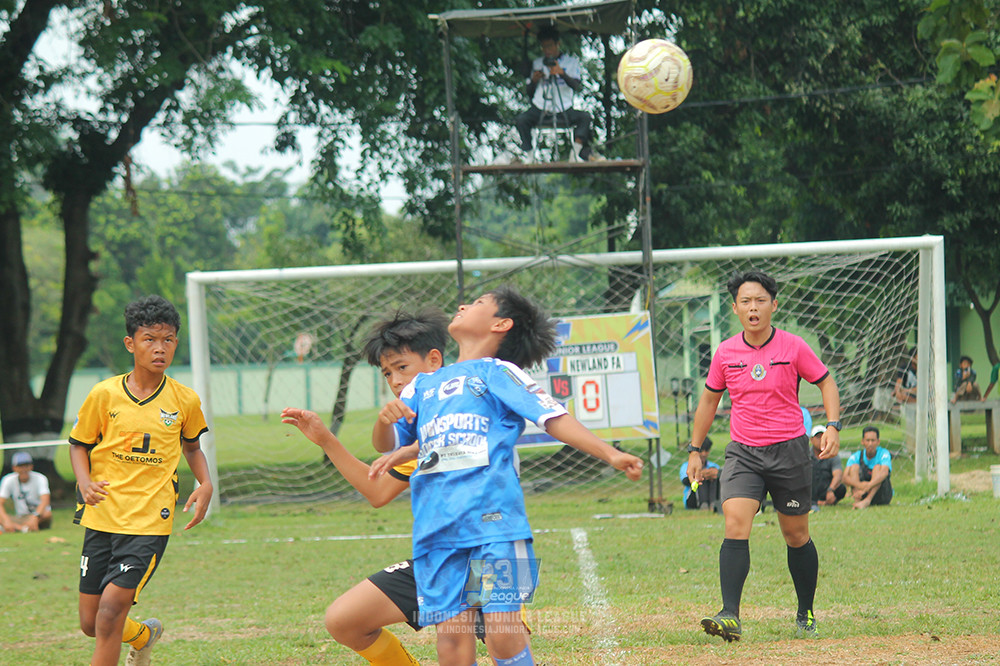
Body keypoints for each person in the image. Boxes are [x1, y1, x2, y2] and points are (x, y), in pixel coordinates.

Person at [371, 285, 644, 666]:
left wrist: (610, 453)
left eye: (479, 303)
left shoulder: (499, 373)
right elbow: (392, 444)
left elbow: (553, 418)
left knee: (501, 633)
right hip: (436, 531)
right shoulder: (423, 385)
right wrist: (388, 427)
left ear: (501, 324)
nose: (463, 304)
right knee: (451, 644)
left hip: (494, 525)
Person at [281, 308, 446, 665]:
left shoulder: (469, 405)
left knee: (501, 641)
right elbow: (377, 491)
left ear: (434, 360)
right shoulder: (416, 425)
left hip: (489, 552)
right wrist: (326, 440)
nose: (395, 380)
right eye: (388, 373)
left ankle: (505, 619)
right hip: (437, 559)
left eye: (402, 367)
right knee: (344, 620)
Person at [686, 269, 841, 643]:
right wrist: (695, 450)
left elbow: (826, 381)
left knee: (796, 534)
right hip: (743, 452)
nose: (752, 308)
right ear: (735, 308)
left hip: (789, 450)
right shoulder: (725, 352)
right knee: (735, 523)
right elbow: (709, 399)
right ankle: (729, 615)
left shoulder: (794, 346)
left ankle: (805, 611)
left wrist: (832, 424)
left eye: (759, 301)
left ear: (774, 305)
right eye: (745, 301)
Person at [69, 295, 212, 666]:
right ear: (131, 344)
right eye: (149, 339)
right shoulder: (104, 394)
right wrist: (85, 483)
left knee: (110, 611)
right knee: (91, 621)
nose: (159, 348)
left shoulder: (185, 400)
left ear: (176, 343)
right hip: (101, 516)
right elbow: (78, 446)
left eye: (167, 340)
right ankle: (145, 636)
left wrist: (205, 483)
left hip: (150, 519)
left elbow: (193, 448)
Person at [513, 25, 594, 162]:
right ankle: (529, 156)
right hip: (541, 107)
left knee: (585, 118)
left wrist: (561, 73)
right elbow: (529, 92)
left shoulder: (571, 62)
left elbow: (576, 85)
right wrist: (534, 81)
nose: (547, 50)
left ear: (558, 44)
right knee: (521, 120)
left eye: (550, 46)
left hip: (564, 108)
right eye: (544, 47)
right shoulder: (538, 63)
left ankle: (575, 153)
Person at [0, 451, 52, 533]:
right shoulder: (8, 480)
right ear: (14, 468)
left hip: (38, 515)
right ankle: (23, 528)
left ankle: (17, 528)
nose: (24, 469)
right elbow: (0, 502)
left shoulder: (40, 478)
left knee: (47, 514)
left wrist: (35, 516)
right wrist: (6, 520)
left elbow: (45, 501)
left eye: (26, 466)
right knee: (2, 517)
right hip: (20, 517)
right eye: (20, 466)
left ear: (31, 466)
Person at [842, 426, 893, 509]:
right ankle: (857, 500)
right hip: (861, 492)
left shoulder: (884, 453)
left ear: (878, 442)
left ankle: (867, 500)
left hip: (881, 495)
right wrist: (860, 486)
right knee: (854, 467)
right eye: (867, 440)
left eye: (873, 441)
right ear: (862, 442)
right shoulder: (856, 456)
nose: (870, 444)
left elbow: (885, 472)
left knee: (877, 468)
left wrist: (868, 486)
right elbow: (844, 477)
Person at [809, 425, 846, 510]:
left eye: (823, 437)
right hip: (810, 488)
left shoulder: (832, 454)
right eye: (818, 437)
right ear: (811, 440)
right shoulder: (806, 455)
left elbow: (838, 474)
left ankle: (826, 501)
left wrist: (831, 490)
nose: (821, 440)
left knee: (841, 489)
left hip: (826, 490)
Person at [679, 436, 720, 511]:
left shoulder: (713, 466)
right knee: (700, 478)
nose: (704, 454)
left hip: (711, 493)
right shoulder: (687, 466)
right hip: (692, 500)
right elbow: (685, 481)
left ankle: (713, 503)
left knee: (714, 477)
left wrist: (715, 474)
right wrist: (700, 474)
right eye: (701, 451)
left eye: (706, 450)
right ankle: (703, 504)